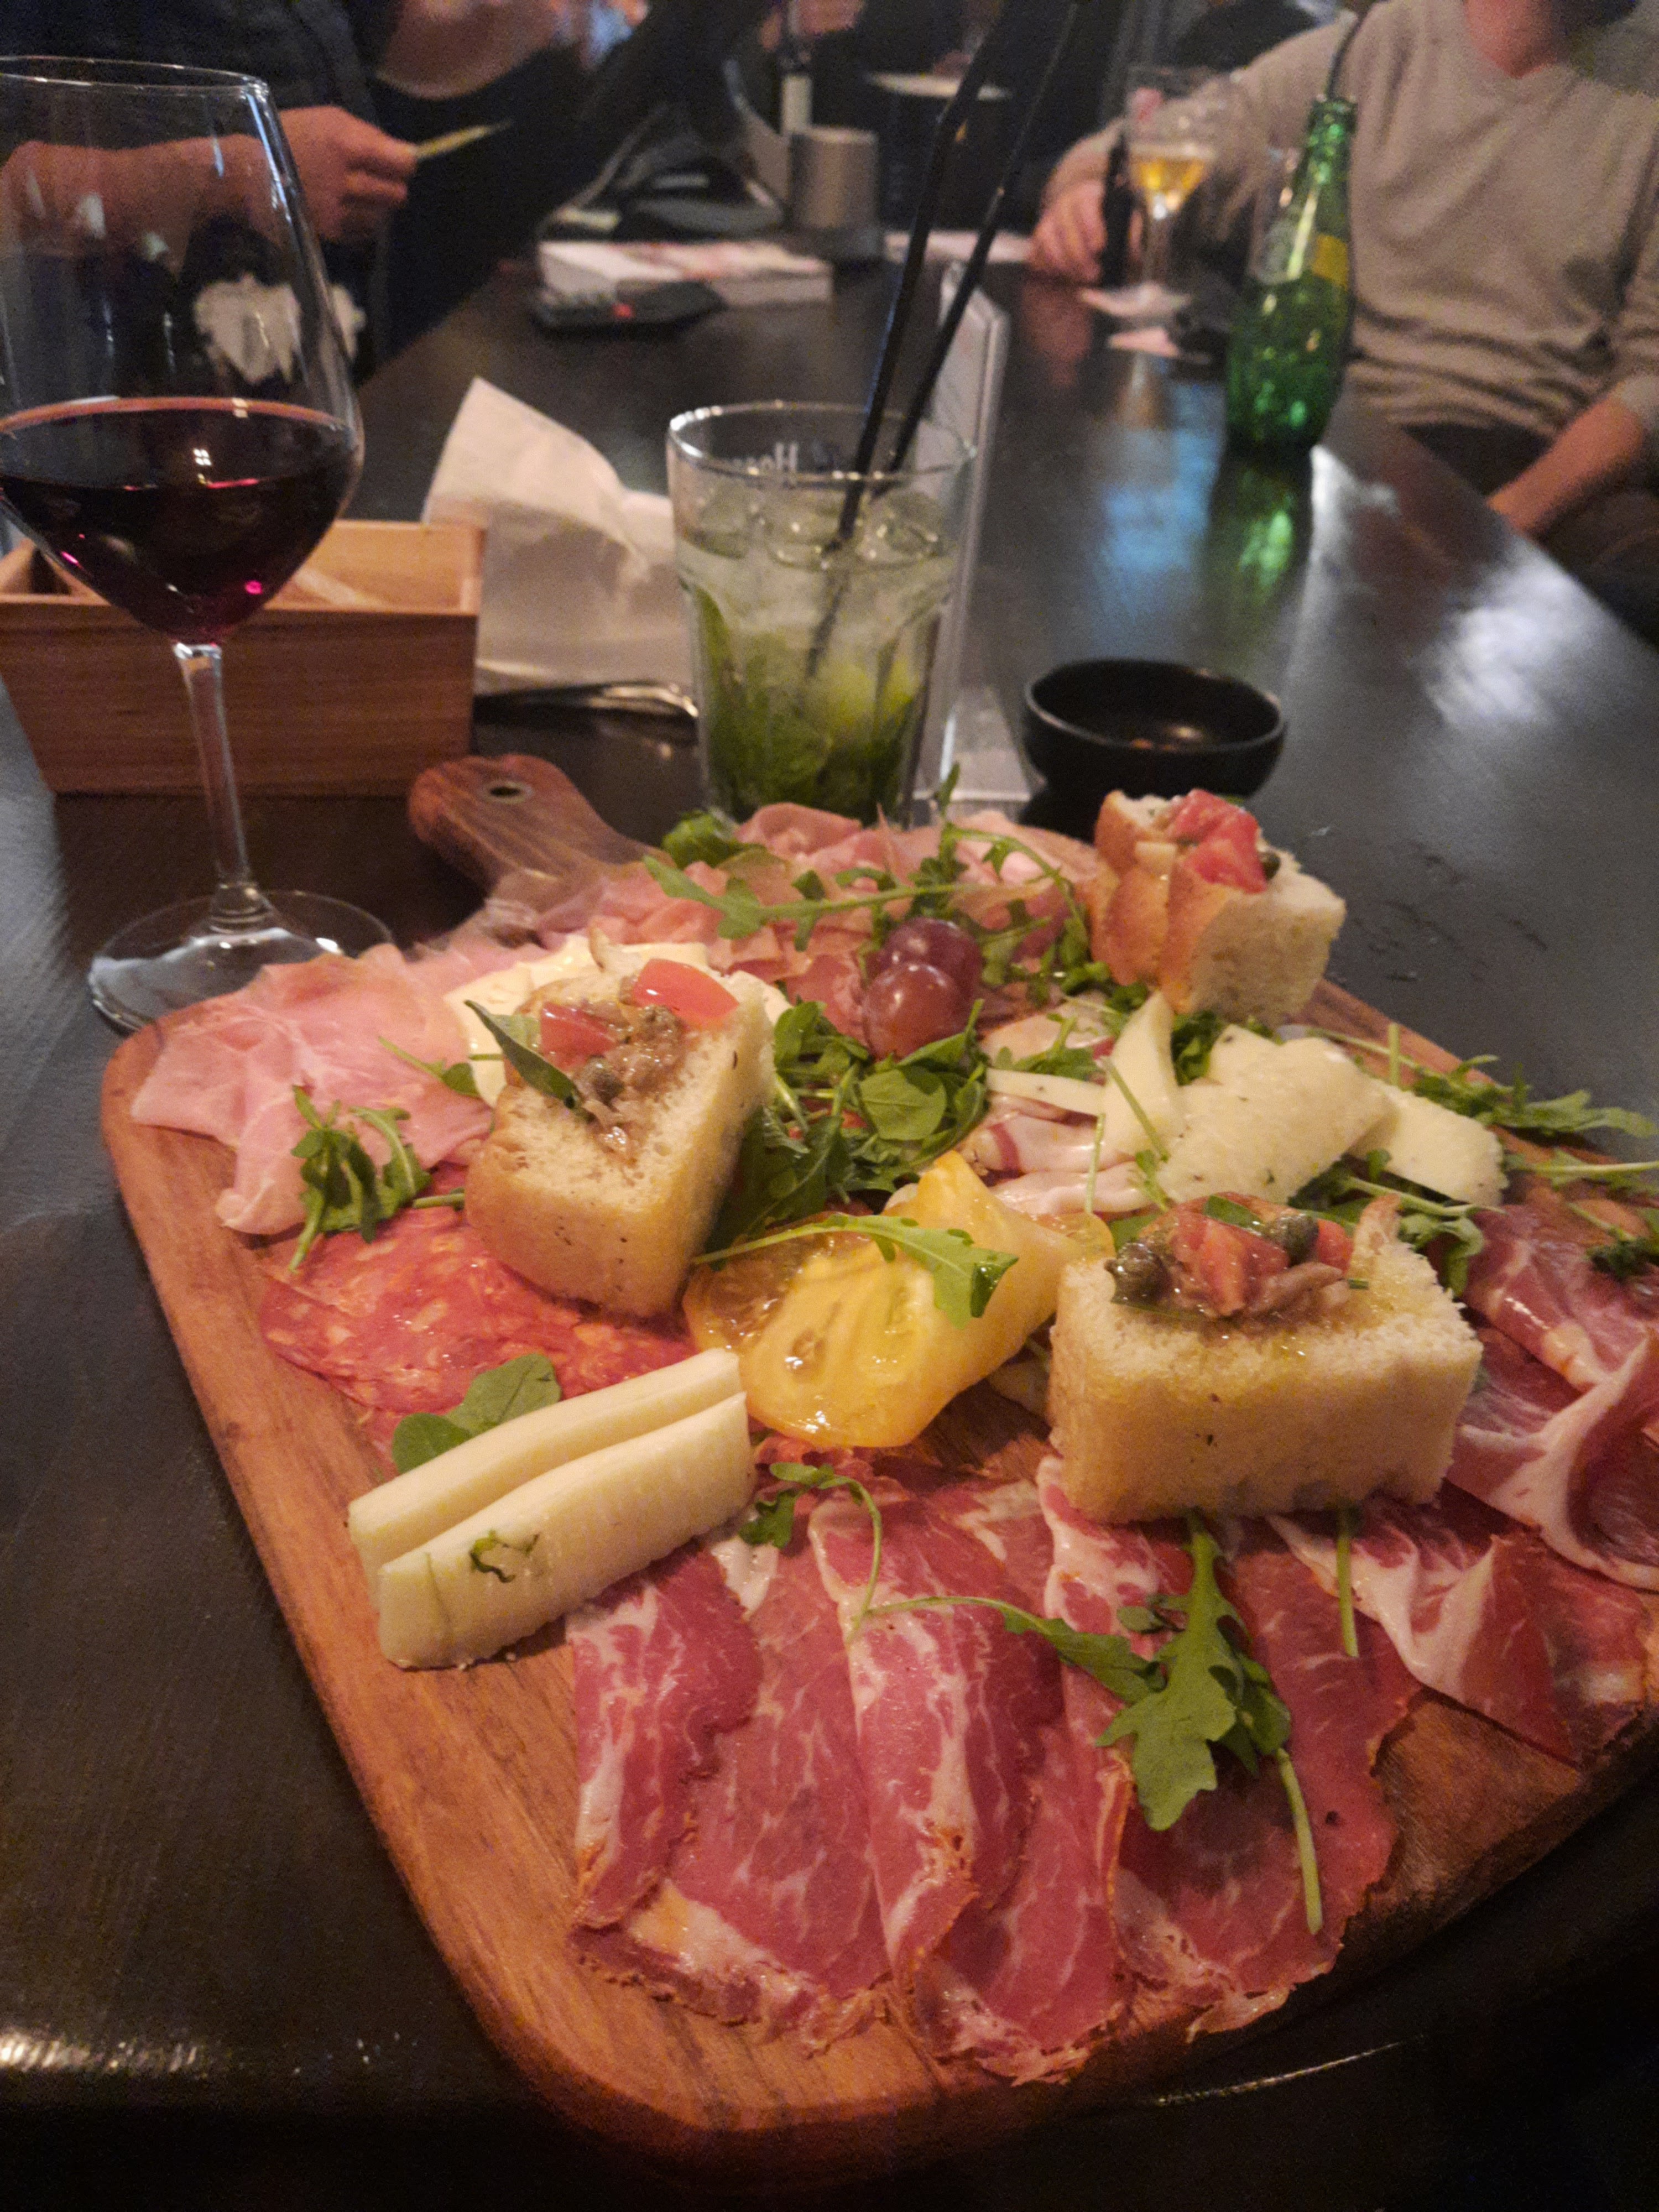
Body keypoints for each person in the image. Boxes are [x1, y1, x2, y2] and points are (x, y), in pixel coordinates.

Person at [1026, 0, 1659, 637]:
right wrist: (1083, 196)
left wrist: (1505, 521)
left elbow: (1650, 378)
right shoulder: (1376, 47)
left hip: (1548, 465)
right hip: (1352, 437)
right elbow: (1144, 144)